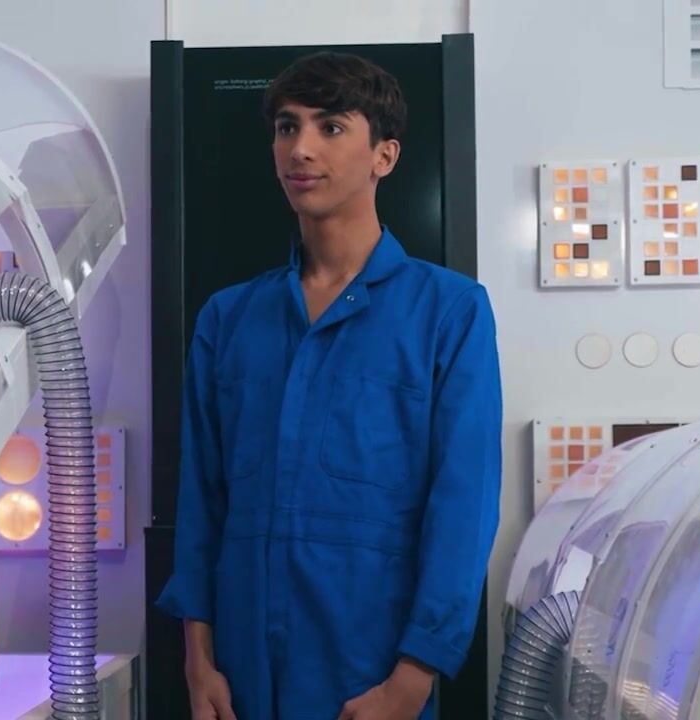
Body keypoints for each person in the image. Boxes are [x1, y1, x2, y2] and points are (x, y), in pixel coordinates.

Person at [155, 51, 502, 719]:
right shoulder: (229, 319)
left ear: (384, 156)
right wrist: (198, 660)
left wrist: (412, 679)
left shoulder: (448, 311)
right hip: (240, 674)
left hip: (372, 671)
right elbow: (202, 500)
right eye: (287, 127)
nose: (300, 148)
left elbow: (464, 503)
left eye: (331, 127)